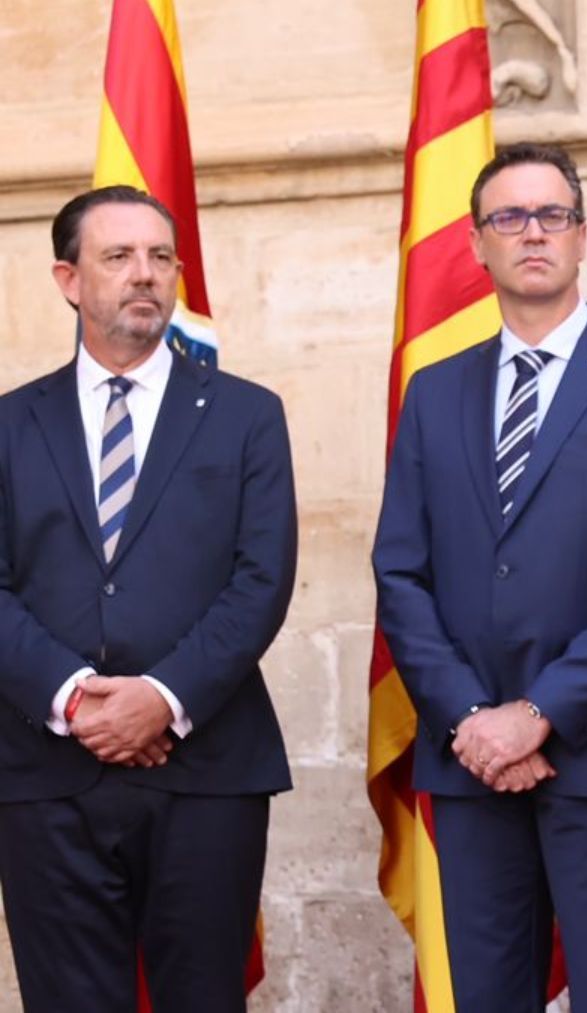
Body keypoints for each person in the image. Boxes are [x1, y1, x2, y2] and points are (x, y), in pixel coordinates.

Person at [372, 143, 587, 1010]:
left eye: (553, 215)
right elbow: (401, 572)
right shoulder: (434, 391)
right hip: (470, 757)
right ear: (477, 244)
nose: (534, 233)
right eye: (510, 218)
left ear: (582, 235)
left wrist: (538, 715)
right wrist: (475, 722)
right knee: (487, 995)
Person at [0, 186, 297, 1010]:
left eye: (161, 257)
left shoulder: (247, 416)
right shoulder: (8, 424)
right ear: (68, 279)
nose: (146, 275)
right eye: (119, 256)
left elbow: (261, 579)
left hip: (206, 770)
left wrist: (161, 700)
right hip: (43, 773)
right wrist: (73, 698)